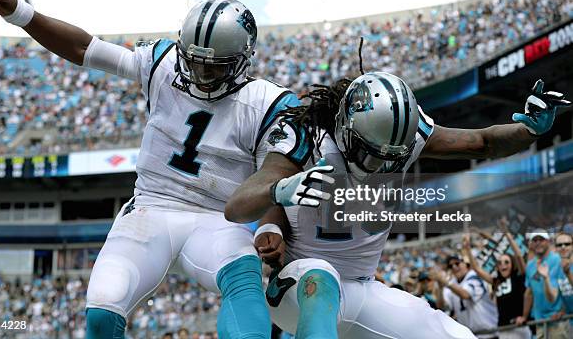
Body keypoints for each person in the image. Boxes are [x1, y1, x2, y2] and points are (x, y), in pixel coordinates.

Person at [0, 0, 311, 339]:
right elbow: (84, 48)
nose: (200, 74)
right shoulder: (163, 63)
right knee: (102, 310)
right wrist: (19, 13)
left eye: (214, 67)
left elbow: (273, 182)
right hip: (151, 207)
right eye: (194, 61)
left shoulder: (267, 103)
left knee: (245, 289)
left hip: (217, 219)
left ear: (244, 60)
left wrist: (270, 227)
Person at [225, 71, 569, 338]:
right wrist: (280, 190)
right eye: (370, 154)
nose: (381, 166)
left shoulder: (410, 135)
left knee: (454, 334)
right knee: (321, 276)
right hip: (296, 289)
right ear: (345, 127)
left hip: (362, 288)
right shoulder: (306, 137)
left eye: (392, 158)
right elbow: (238, 205)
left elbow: (481, 141)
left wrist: (527, 132)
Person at [462, 224, 531, 339]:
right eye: (499, 263)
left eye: (506, 262)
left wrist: (507, 235)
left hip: (519, 329)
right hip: (503, 330)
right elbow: (476, 269)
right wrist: (468, 249)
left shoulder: (519, 277)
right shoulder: (496, 281)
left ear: (512, 264)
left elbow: (518, 255)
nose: (503, 265)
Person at [517, 229, 570, 339]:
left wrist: (563, 310)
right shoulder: (530, 266)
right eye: (535, 240)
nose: (538, 243)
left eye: (541, 239)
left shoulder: (557, 260)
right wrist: (524, 316)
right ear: (531, 244)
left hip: (558, 321)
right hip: (540, 322)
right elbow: (529, 293)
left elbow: (563, 291)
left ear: (548, 241)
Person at [432, 254, 498, 339]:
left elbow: (465, 294)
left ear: (466, 264)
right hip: (470, 335)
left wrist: (446, 282)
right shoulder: (453, 283)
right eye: (450, 266)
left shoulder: (475, 277)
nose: (454, 267)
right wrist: (440, 288)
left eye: (457, 263)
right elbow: (442, 306)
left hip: (488, 334)